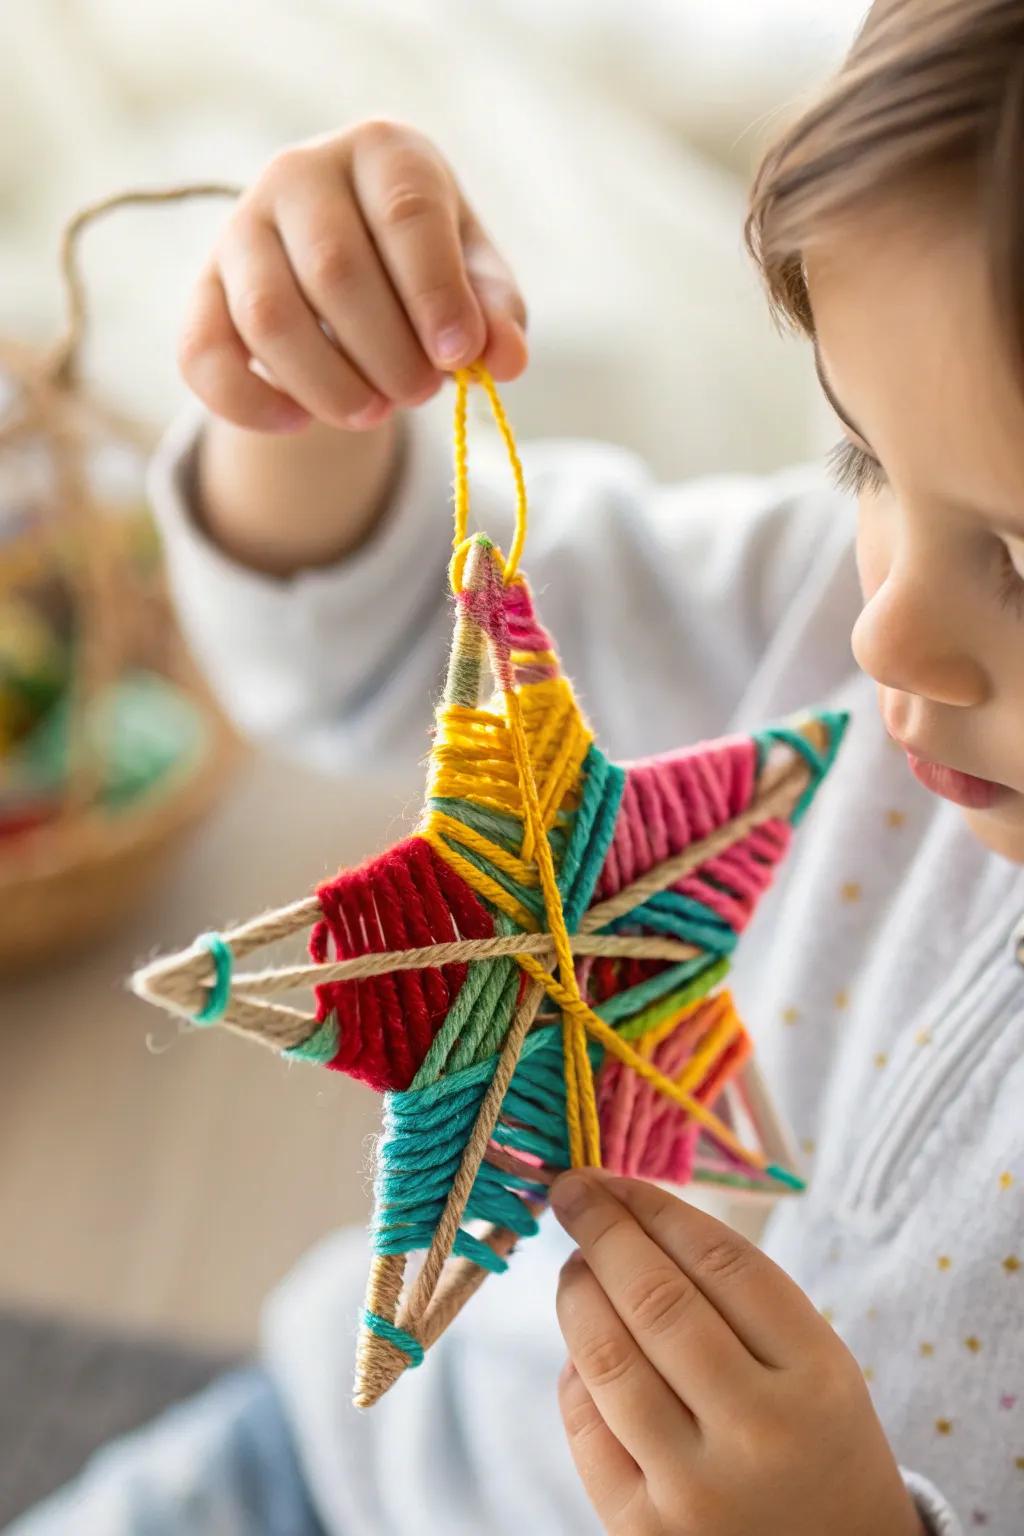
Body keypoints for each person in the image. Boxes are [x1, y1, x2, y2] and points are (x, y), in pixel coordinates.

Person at [12, 2, 1024, 1532]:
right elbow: (380, 637)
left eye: (1018, 557)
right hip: (341, 1474)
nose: (892, 632)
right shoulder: (803, 606)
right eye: (866, 458)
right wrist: (306, 415)